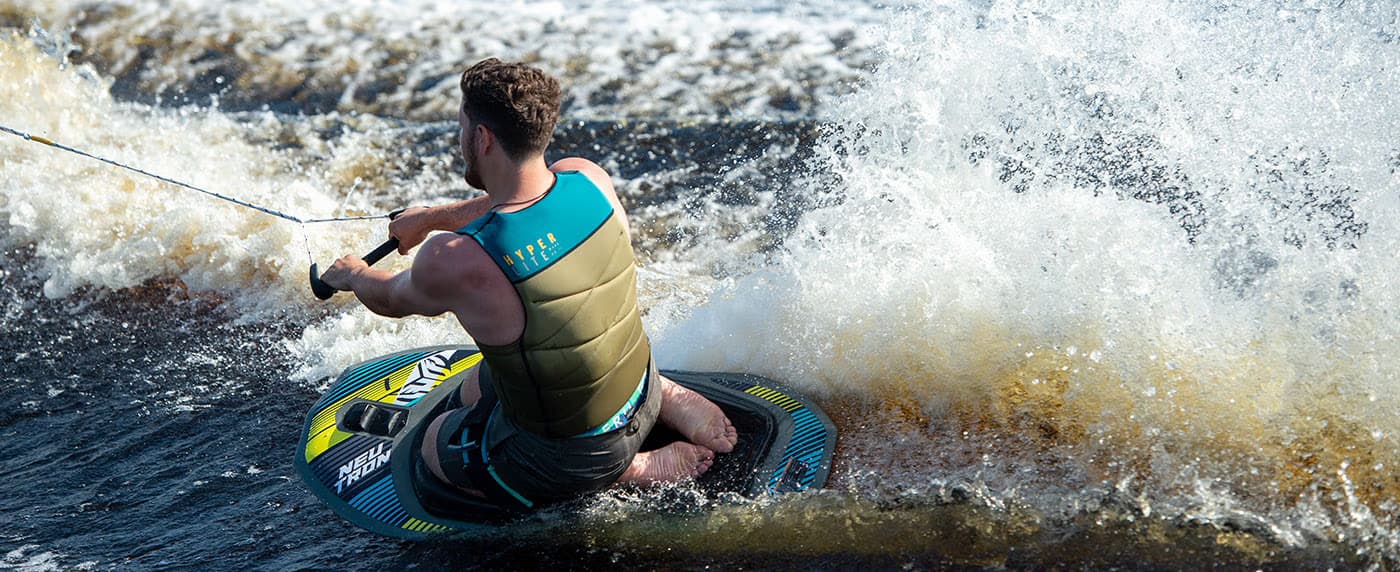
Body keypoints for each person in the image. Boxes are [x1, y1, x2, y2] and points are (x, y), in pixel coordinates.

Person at [320, 58, 737, 509]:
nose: (461, 139)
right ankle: (668, 396)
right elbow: (522, 205)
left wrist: (352, 274)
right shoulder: (589, 179)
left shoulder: (456, 258)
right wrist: (431, 218)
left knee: (432, 443)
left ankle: (632, 470)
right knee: (476, 386)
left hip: (579, 456)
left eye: (463, 127)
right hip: (644, 387)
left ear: (481, 138)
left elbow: (389, 299)